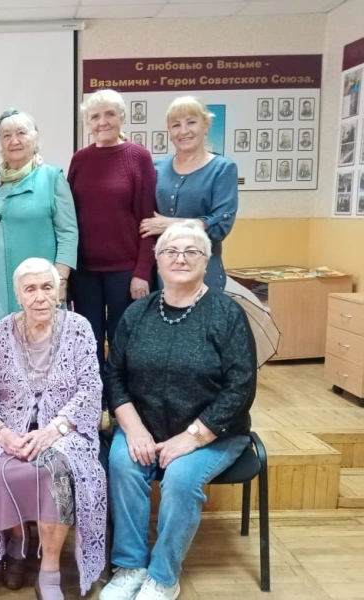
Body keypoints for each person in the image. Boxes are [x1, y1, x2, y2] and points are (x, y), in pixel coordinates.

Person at [99, 222, 256, 600]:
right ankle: (130, 566)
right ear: (157, 260)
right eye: (171, 251)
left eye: (191, 251)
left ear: (206, 260)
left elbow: (241, 387)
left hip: (212, 434)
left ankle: (163, 577)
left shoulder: (227, 314)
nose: (180, 259)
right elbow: (114, 374)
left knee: (181, 480)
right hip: (145, 425)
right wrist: (134, 428)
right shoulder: (137, 313)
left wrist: (192, 438)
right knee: (123, 463)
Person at [0, 257, 107, 600]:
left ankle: (50, 569)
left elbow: (91, 388)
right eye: (30, 289)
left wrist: (52, 431)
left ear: (59, 291)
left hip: (66, 431)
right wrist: (2, 433)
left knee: (55, 472)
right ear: (18, 295)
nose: (40, 296)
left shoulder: (79, 328)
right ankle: (18, 540)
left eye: (47, 287)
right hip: (9, 430)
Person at [67, 89, 156, 395]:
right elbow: (69, 216)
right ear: (87, 122)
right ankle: (93, 405)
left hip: (125, 272)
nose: (102, 121)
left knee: (122, 342)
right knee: (87, 342)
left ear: (122, 117)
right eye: (95, 116)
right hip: (85, 272)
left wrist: (142, 271)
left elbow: (148, 220)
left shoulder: (138, 157)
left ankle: (121, 405)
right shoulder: (80, 159)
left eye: (109, 114)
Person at [0, 109, 78, 333]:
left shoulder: (51, 178)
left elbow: (68, 233)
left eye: (21, 133)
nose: (14, 140)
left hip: (38, 287)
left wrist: (60, 280)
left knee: (38, 342)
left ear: (35, 138)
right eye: (6, 135)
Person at [141, 96, 238, 290]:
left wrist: (171, 224)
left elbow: (220, 225)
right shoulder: (155, 167)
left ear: (206, 125)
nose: (184, 131)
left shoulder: (222, 169)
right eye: (176, 125)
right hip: (159, 274)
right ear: (169, 132)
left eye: (191, 122)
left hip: (203, 273)